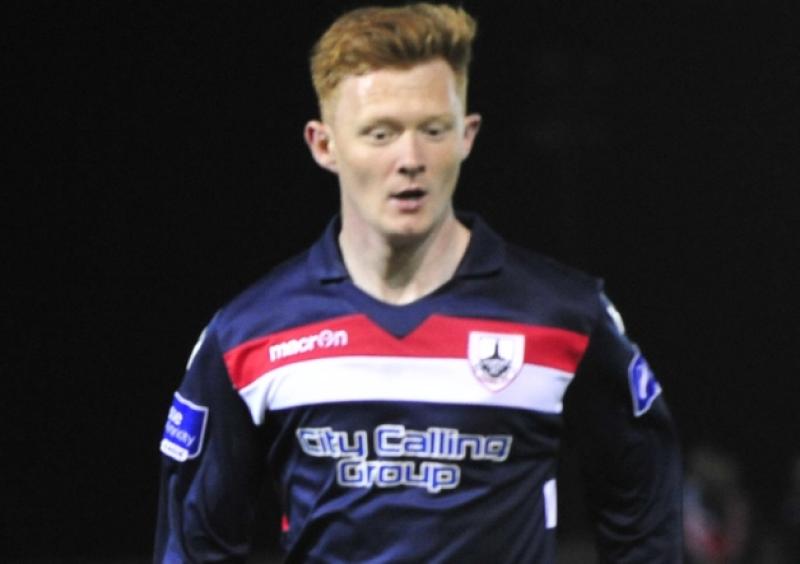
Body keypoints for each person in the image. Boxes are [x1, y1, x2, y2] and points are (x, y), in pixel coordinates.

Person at [154, 3, 682, 562]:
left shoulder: (564, 317)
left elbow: (644, 510)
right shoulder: (249, 336)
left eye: (433, 130)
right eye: (380, 134)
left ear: (467, 135)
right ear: (323, 144)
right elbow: (194, 545)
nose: (411, 159)